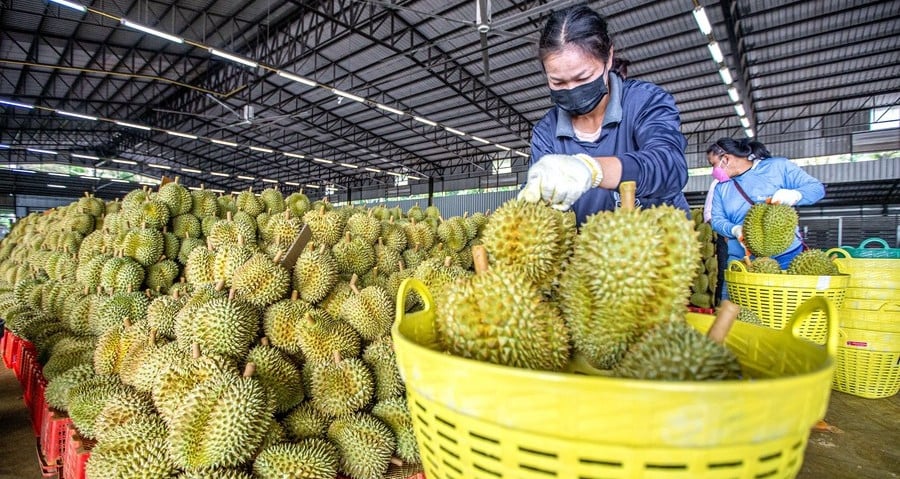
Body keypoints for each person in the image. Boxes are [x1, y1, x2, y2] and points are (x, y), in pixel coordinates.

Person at [517, 4, 689, 224]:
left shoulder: (644, 102)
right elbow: (542, 198)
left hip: (660, 249)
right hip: (589, 252)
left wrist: (592, 169)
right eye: (557, 81)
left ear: (608, 58)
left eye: (583, 78)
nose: (571, 89)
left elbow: (670, 166)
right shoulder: (547, 130)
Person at [707, 137, 825, 298]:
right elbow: (717, 221)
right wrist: (734, 229)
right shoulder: (722, 188)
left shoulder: (777, 167)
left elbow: (816, 189)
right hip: (742, 260)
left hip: (785, 257)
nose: (713, 171)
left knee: (781, 307)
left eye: (713, 164)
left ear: (726, 159)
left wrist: (795, 195)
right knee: (733, 309)